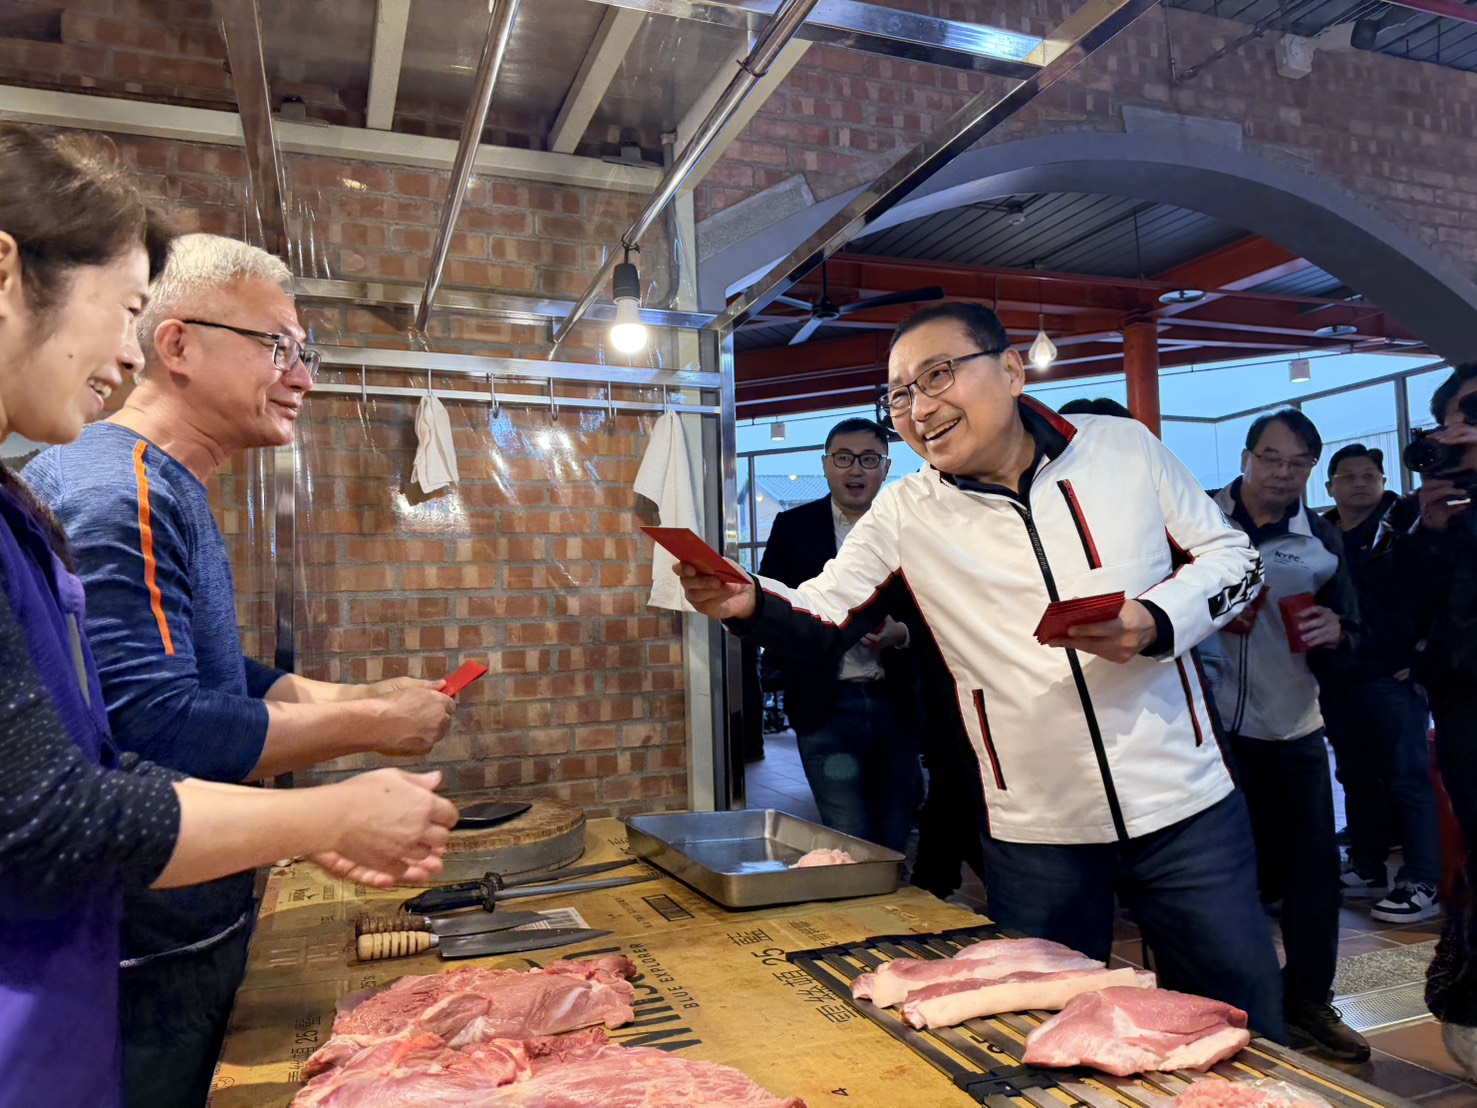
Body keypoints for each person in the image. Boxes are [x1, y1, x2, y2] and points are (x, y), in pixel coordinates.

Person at [0, 124, 458, 1108]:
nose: (122, 353)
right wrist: (326, 799)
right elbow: (107, 762)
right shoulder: (105, 489)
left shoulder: (116, 490)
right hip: (96, 974)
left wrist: (319, 743)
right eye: (124, 309)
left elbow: (191, 675)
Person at [676, 301, 1286, 1040]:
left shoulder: (1121, 449)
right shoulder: (907, 511)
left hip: (1186, 805)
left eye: (936, 376)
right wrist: (748, 602)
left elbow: (1233, 559)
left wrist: (1153, 621)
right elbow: (823, 613)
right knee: (1040, 1038)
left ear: (1008, 368)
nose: (917, 408)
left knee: (1239, 1017)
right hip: (1034, 827)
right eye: (899, 394)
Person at [1199, 410, 1368, 1062]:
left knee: (1312, 875)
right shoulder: (1197, 522)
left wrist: (1338, 633)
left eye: (1295, 464)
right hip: (1208, 733)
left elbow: (1354, 634)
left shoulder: (1319, 539)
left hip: (1293, 726)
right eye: (1269, 458)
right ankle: (1227, 999)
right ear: (1245, 457)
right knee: (1219, 873)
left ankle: (1307, 1004)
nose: (1280, 474)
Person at [758, 417, 921, 852]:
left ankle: (896, 914)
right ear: (826, 465)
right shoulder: (794, 529)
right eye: (844, 458)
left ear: (886, 468)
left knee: (894, 836)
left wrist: (902, 632)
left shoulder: (911, 528)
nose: (855, 470)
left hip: (898, 703)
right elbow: (774, 609)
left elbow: (945, 611)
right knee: (848, 837)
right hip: (825, 706)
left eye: (869, 459)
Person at [1318, 443, 1439, 922]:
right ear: (1329, 486)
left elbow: (1434, 590)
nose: (1359, 483)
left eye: (1369, 474)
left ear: (1383, 481)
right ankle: (1368, 866)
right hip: (1339, 673)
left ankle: (1422, 878)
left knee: (1408, 777)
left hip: (1394, 674)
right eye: (1348, 476)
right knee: (1354, 773)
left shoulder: (1405, 525)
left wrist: (1423, 656)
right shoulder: (1322, 534)